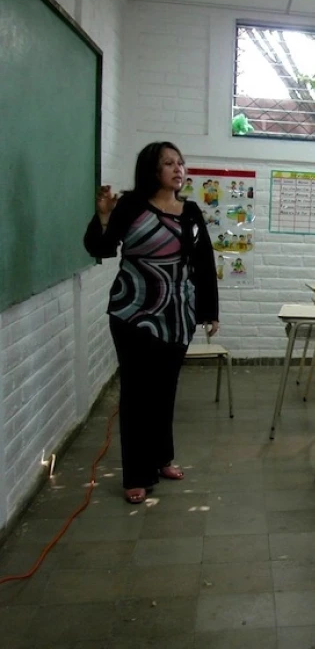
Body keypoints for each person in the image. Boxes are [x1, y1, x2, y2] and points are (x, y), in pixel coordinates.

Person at [84, 142, 218, 505]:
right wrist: (104, 217)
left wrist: (209, 311)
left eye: (181, 162)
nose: (178, 169)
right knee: (137, 394)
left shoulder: (190, 211)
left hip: (177, 315)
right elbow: (102, 248)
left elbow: (203, 262)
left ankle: (161, 459)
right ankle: (136, 475)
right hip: (133, 313)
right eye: (168, 163)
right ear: (151, 170)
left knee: (164, 391)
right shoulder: (130, 205)